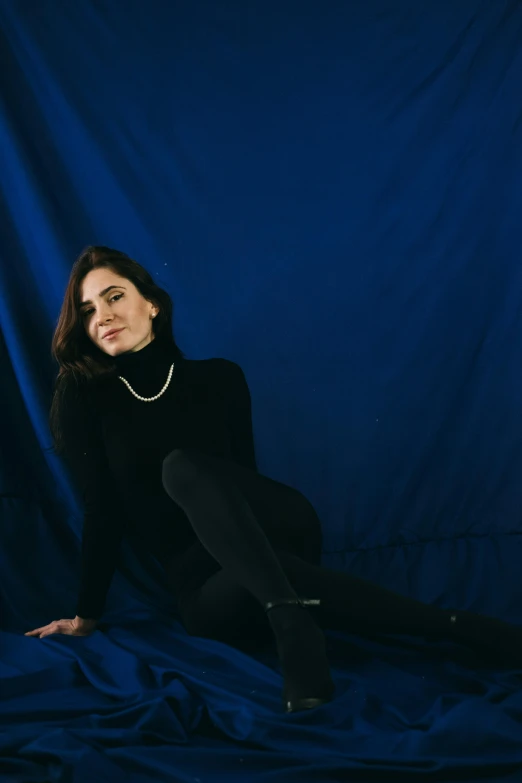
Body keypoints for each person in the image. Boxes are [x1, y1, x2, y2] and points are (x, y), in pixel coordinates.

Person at [26, 246, 521, 713]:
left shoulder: (219, 378)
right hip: (203, 585)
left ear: (151, 304)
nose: (103, 315)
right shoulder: (83, 396)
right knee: (270, 582)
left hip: (276, 526)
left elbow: (243, 481)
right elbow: (101, 510)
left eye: (114, 297)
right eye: (88, 310)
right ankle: (459, 628)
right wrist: (86, 614)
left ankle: (290, 625)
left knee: (182, 466)